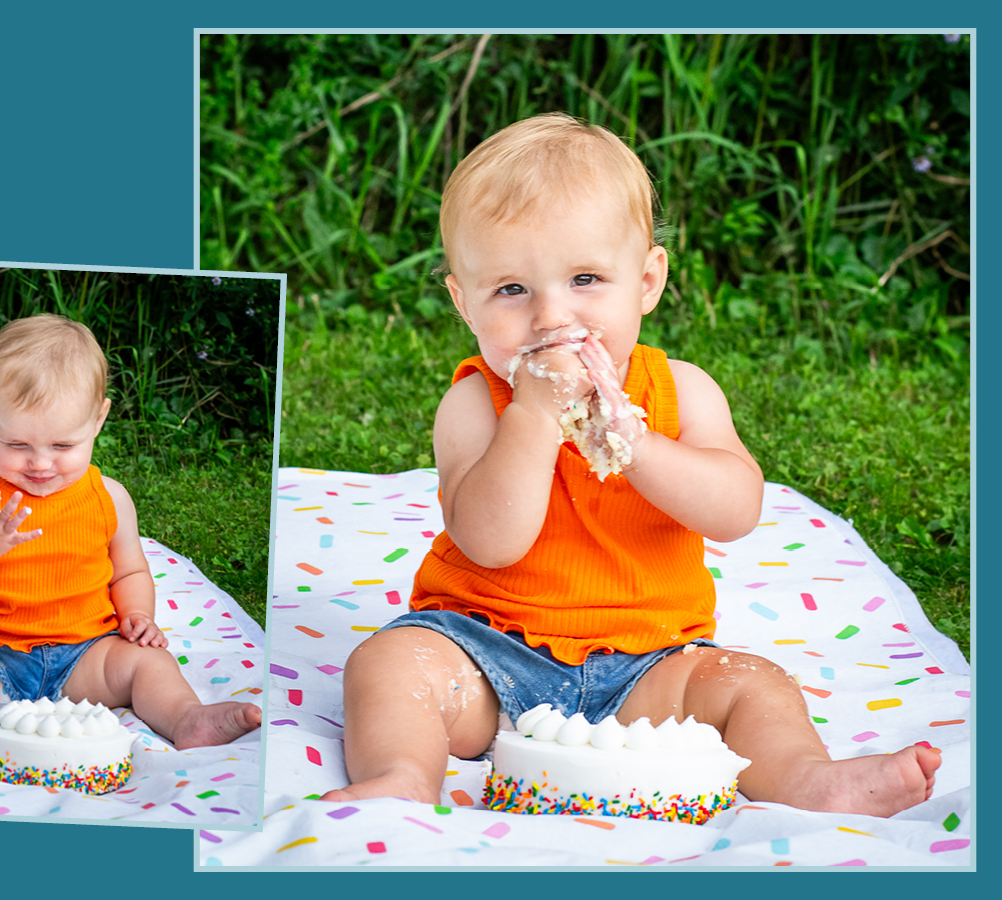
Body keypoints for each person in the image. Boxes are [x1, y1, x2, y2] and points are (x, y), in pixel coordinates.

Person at [324, 113, 939, 816]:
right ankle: (402, 776)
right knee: (389, 665)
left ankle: (809, 780)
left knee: (755, 683)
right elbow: (490, 541)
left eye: (585, 279)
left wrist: (636, 446)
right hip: (487, 655)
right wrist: (533, 416)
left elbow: (736, 510)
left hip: (652, 665)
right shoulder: (475, 404)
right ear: (465, 303)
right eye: (512, 290)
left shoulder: (681, 391)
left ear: (646, 281)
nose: (552, 317)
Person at [0, 314, 260, 763]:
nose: (40, 463)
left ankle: (186, 718)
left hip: (85, 655)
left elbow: (130, 571)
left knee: (149, 662)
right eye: (16, 445)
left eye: (62, 446)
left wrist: (138, 615)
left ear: (98, 418)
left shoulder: (109, 498)